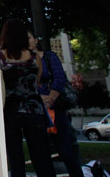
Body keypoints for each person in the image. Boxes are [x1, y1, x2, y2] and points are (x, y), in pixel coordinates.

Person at [0, 19, 56, 177]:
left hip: (10, 110)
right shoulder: (33, 57)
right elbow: (37, 80)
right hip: (34, 110)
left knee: (16, 159)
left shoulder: (0, 57)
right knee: (42, 158)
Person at [29, 28, 85, 177]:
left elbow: (59, 78)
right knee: (41, 153)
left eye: (28, 38)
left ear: (36, 40)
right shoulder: (25, 62)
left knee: (65, 149)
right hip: (37, 111)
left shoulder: (49, 56)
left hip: (55, 109)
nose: (26, 41)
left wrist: (50, 98)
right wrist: (40, 99)